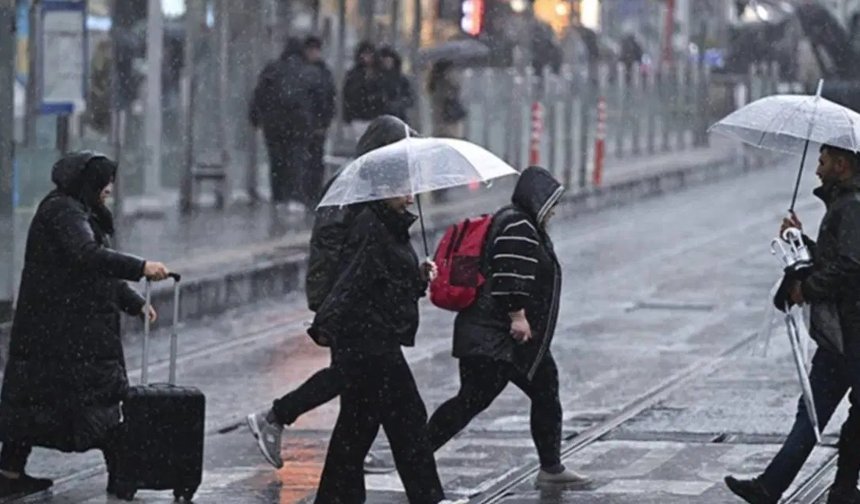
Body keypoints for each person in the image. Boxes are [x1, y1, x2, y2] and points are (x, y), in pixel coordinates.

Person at [365, 166, 589, 488]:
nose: (553, 211)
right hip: (498, 337)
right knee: (475, 401)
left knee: (529, 393)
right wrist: (517, 315)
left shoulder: (517, 222)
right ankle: (416, 457)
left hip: (498, 337)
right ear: (538, 200)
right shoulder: (519, 226)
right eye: (551, 203)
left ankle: (550, 467)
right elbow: (509, 274)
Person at [246, 116, 422, 471]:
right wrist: (328, 306)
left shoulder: (373, 189)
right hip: (353, 309)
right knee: (354, 381)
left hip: (359, 308)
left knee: (356, 391)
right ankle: (277, 415)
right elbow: (339, 254)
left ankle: (337, 457)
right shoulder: (356, 191)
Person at [0, 151, 172, 499]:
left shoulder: (75, 210)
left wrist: (132, 301)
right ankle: (124, 477)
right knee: (97, 405)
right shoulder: (63, 211)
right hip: (65, 334)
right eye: (105, 182)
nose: (109, 188)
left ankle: (9, 473)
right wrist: (140, 268)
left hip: (56, 331)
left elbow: (91, 270)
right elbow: (87, 257)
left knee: (34, 405)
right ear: (89, 183)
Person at [725, 144, 860, 504]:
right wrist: (801, 241)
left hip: (852, 332)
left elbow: (850, 266)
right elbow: (838, 259)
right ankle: (772, 487)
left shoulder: (852, 207)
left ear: (842, 165)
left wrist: (807, 288)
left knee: (852, 418)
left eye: (823, 161)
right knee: (811, 412)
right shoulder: (844, 204)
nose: (817, 170)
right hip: (839, 335)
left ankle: (843, 490)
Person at [249, 38, 322, 212]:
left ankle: (279, 197)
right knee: (296, 160)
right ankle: (295, 197)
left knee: (277, 161)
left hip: (273, 125)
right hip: (299, 125)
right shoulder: (309, 72)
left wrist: (255, 118)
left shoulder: (272, 69)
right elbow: (320, 98)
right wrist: (318, 122)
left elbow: (259, 95)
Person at [303, 36, 337, 207]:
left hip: (316, 125)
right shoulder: (315, 72)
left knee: (315, 160)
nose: (313, 53)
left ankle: (313, 193)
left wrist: (324, 122)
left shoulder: (322, 73)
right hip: (305, 125)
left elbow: (329, 99)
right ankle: (308, 193)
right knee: (308, 160)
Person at [343, 42, 386, 141]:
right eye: (364, 54)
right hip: (359, 116)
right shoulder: (354, 75)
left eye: (369, 54)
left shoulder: (380, 74)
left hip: (376, 116)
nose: (367, 58)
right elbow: (348, 96)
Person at [378, 46, 414, 122]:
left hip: (399, 117)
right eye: (384, 60)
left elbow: (410, 98)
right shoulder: (377, 79)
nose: (387, 62)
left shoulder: (401, 79)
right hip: (381, 117)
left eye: (389, 59)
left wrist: (397, 104)